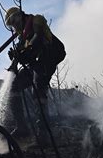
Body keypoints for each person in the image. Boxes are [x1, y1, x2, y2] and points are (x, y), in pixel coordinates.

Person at [4, 7, 66, 143]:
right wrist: (16, 58)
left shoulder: (36, 21)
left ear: (20, 16)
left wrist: (25, 50)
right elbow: (27, 56)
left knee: (38, 89)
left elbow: (36, 40)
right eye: (11, 24)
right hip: (36, 64)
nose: (14, 26)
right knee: (14, 86)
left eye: (14, 21)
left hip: (48, 59)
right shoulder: (23, 37)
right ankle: (22, 127)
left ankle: (44, 134)